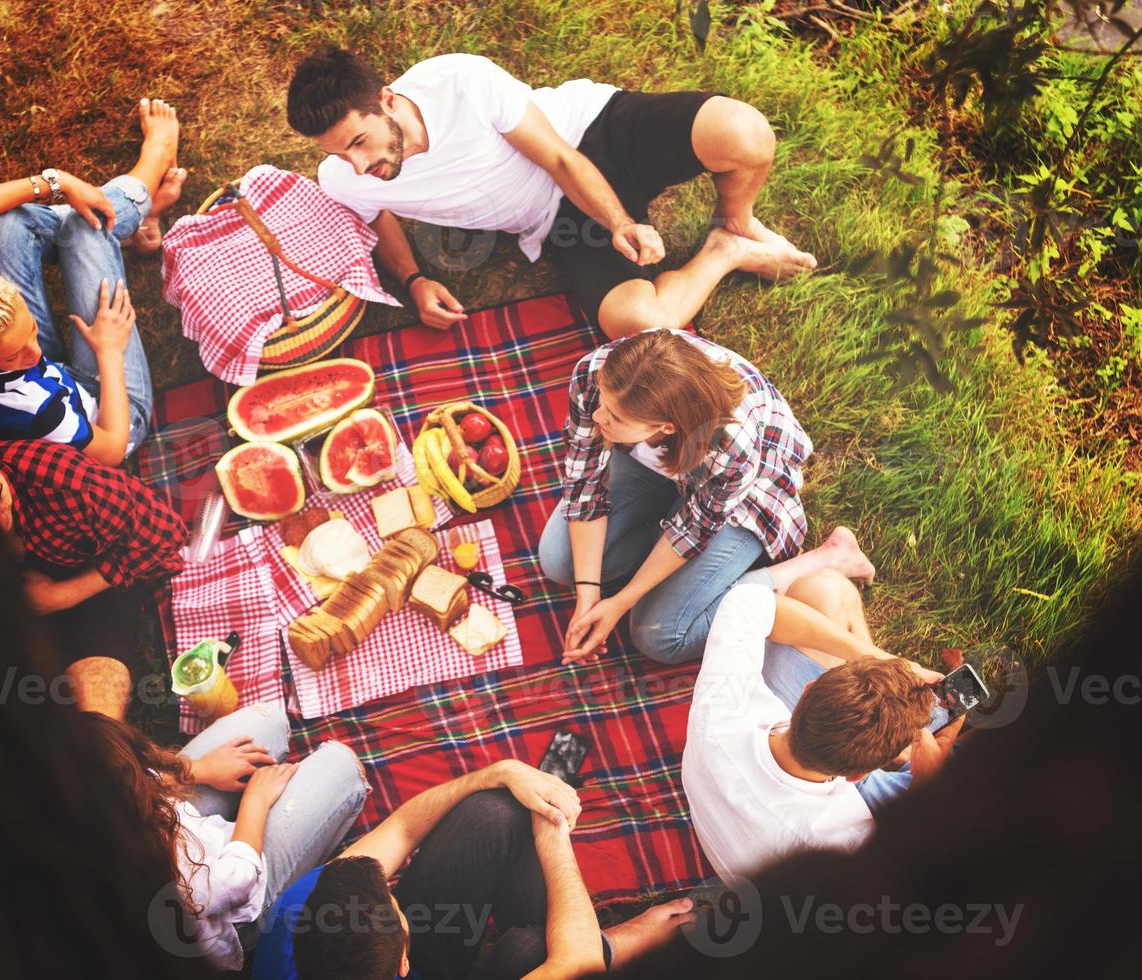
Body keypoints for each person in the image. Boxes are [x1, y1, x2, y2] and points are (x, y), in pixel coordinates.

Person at [286, 48, 816, 338]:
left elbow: (561, 159)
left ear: (387, 100)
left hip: (590, 131)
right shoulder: (344, 177)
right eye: (338, 155)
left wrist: (620, 222)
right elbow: (375, 216)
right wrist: (416, 278)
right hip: (553, 217)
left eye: (358, 141)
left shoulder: (460, 81)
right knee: (639, 324)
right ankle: (726, 251)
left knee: (743, 133)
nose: (357, 165)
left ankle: (738, 220)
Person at [539, 328, 864, 665]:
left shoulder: (730, 438)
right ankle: (668, 551)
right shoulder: (601, 374)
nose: (597, 415)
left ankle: (824, 560)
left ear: (665, 427)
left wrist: (619, 602)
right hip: (653, 463)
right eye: (603, 403)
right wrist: (588, 592)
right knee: (559, 560)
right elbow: (585, 483)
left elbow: (693, 530)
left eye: (615, 417)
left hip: (748, 491)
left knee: (660, 635)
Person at [0, 98, 189, 464]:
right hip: (108, 413)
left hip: (44, 381)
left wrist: (58, 182)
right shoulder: (35, 411)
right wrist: (108, 351)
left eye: (28, 329)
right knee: (85, 228)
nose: (35, 351)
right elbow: (111, 450)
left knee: (6, 225)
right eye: (14, 352)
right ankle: (148, 176)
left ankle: (132, 219)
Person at [251, 760, 693, 980]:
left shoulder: (298, 908)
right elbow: (579, 964)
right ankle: (576, 932)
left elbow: (403, 827)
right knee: (531, 951)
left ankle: (568, 926)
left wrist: (496, 773)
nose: (393, 888)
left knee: (493, 811)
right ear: (404, 961)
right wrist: (553, 841)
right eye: (396, 901)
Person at [681, 570, 956, 881]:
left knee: (821, 590)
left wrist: (880, 660)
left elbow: (746, 601)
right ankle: (915, 753)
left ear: (808, 690)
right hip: (839, 808)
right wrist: (929, 784)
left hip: (746, 831)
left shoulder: (719, 714)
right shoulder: (852, 843)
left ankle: (904, 743)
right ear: (857, 775)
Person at [78, 705, 368, 973]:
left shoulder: (74, 803)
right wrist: (256, 800)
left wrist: (199, 769)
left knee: (268, 719)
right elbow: (235, 880)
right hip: (233, 909)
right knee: (342, 765)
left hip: (186, 835)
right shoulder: (154, 880)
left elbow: (133, 776)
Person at [0, 422, 186, 717]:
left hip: (96, 588)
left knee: (97, 719)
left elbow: (166, 531)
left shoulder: (63, 480)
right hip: (13, 613)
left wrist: (60, 596)